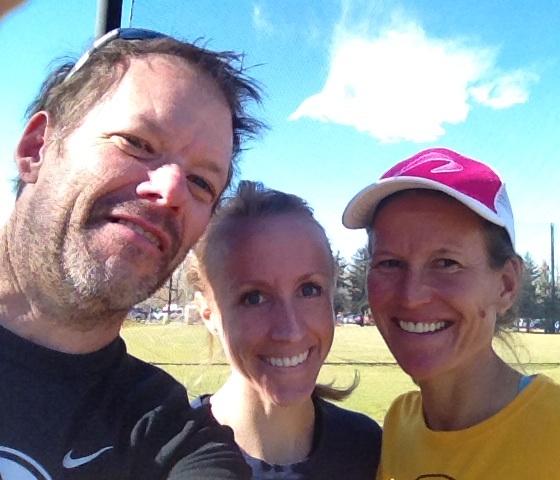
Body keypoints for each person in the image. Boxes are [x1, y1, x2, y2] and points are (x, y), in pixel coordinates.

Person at [0, 28, 263, 479]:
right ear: (35, 148)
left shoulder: (174, 440)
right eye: (137, 143)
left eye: (202, 182)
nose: (171, 190)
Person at [342, 147, 560, 479]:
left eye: (446, 263)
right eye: (389, 263)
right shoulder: (400, 424)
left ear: (507, 285)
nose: (411, 296)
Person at [189, 180, 381, 479]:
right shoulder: (164, 455)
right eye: (254, 297)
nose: (290, 331)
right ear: (208, 314)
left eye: (309, 290)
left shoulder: (370, 450)